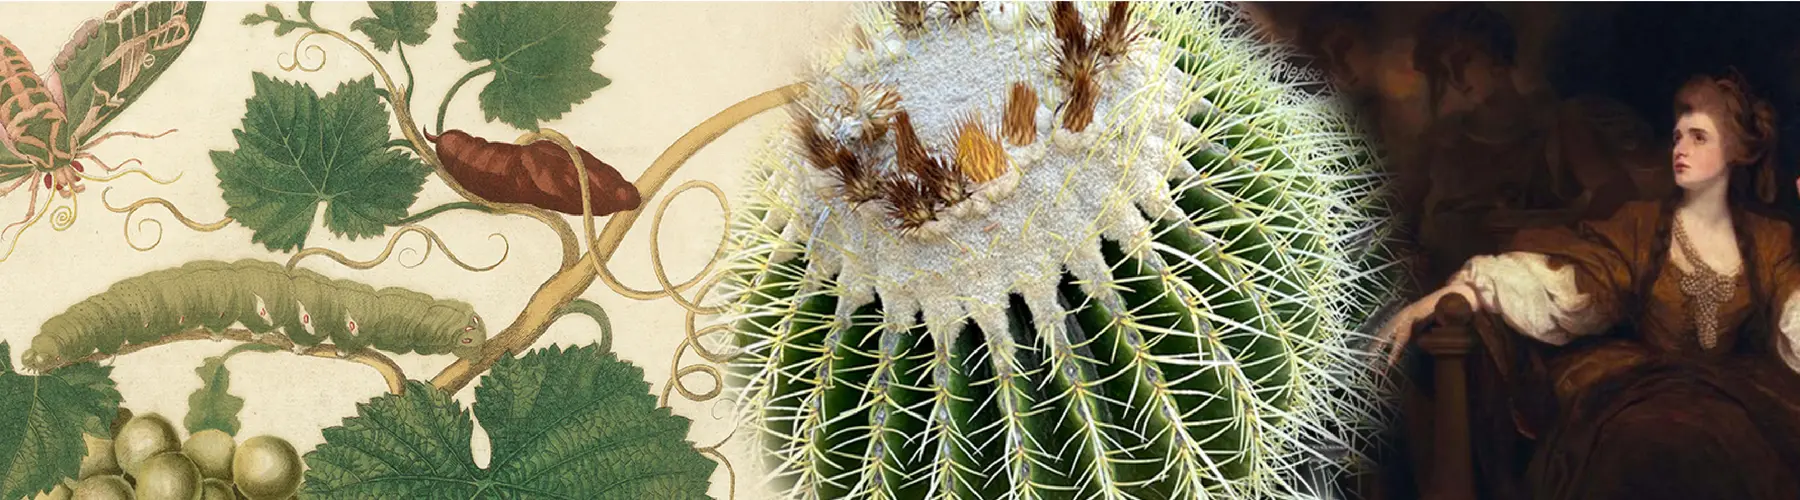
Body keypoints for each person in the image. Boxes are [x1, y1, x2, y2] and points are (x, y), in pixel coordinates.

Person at [1379, 70, 1800, 500]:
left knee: (1736, 446)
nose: (1680, 149)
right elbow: (1565, 284)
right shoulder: (1640, 225)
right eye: (1676, 137)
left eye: (1698, 137)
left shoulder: (1769, 240)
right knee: (1645, 441)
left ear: (1735, 150)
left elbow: (1794, 313)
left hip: (1735, 395)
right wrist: (1461, 292)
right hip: (1643, 388)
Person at [1403, 4, 1646, 287]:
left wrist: (1557, 239)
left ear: (1497, 55)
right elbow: (1399, 218)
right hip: (1453, 293)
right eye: (1445, 70)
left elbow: (1617, 192)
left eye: (1464, 60)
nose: (1456, 79)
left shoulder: (1557, 123)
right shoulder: (1441, 140)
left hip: (1539, 287)